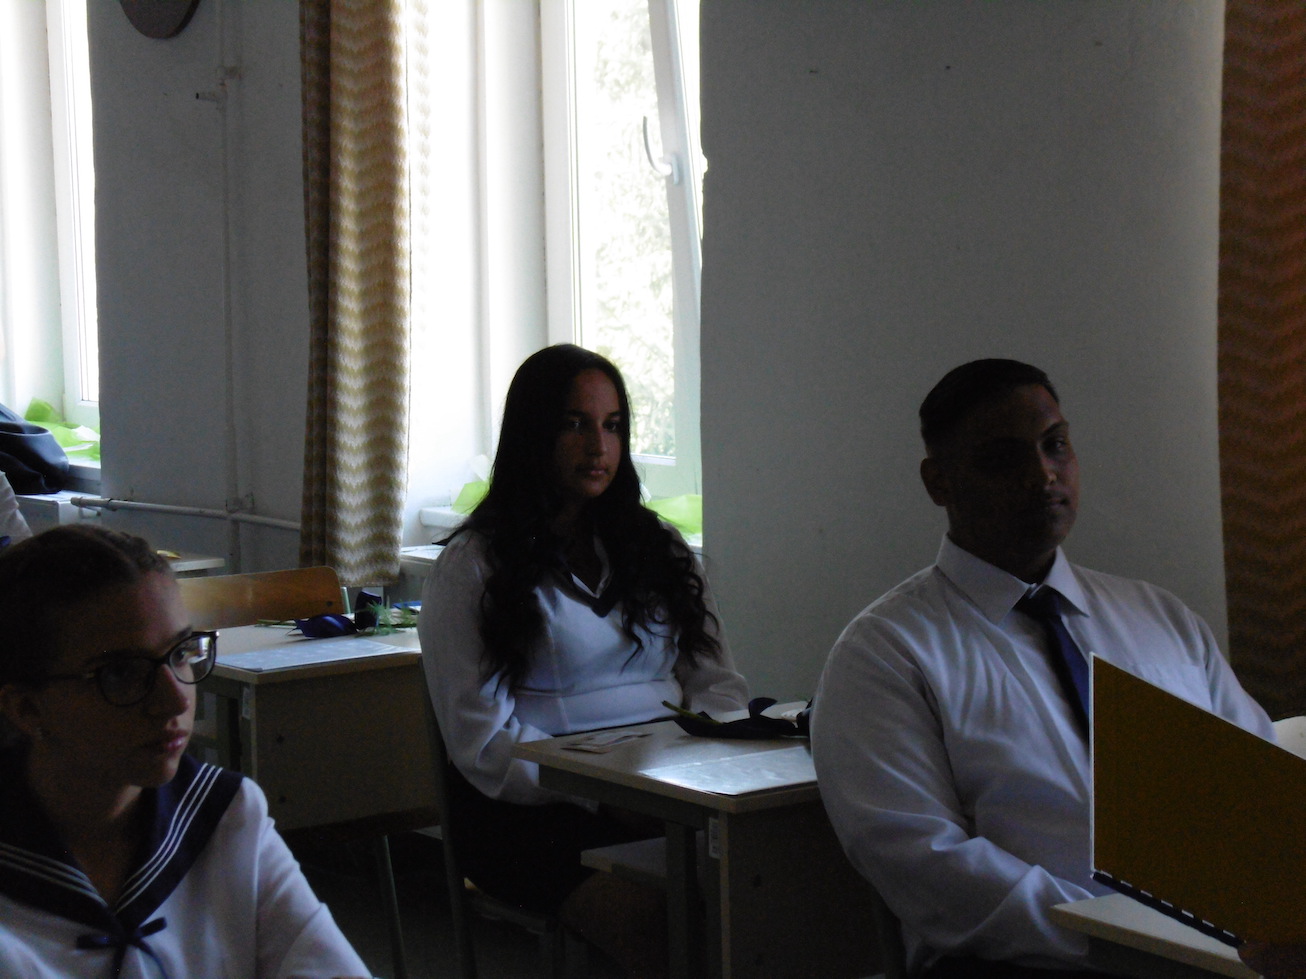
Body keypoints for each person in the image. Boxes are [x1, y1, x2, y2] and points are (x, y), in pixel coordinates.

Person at [810, 359, 1273, 979]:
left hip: (1224, 950)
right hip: (1028, 962)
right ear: (939, 482)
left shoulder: (1160, 619)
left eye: (1055, 445)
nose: (1043, 474)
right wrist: (1121, 939)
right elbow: (927, 867)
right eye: (1002, 458)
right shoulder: (886, 653)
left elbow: (1262, 796)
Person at [419, 343, 748, 977]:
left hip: (666, 794)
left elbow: (720, 686)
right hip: (531, 813)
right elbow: (482, 745)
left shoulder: (659, 548)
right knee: (657, 922)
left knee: (766, 891)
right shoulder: (473, 565)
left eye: (613, 426)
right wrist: (605, 795)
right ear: (533, 434)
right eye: (575, 424)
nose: (598, 446)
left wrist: (701, 770)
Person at [0, 524, 369, 979]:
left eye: (181, 653)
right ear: (27, 708)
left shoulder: (225, 815)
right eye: (120, 673)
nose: (175, 700)